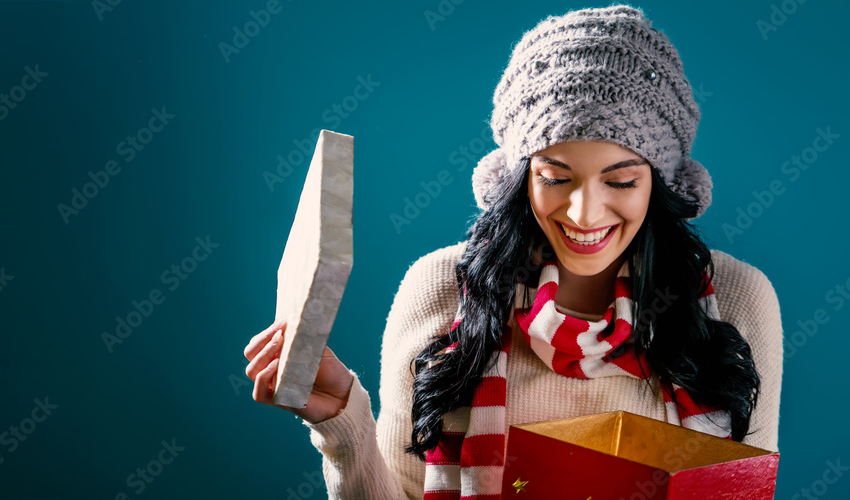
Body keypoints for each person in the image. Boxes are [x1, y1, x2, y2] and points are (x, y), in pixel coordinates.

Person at [244, 5, 783, 499]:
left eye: (620, 182)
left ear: (661, 184)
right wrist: (343, 423)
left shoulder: (736, 301)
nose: (583, 214)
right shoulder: (439, 290)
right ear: (518, 178)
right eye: (555, 178)